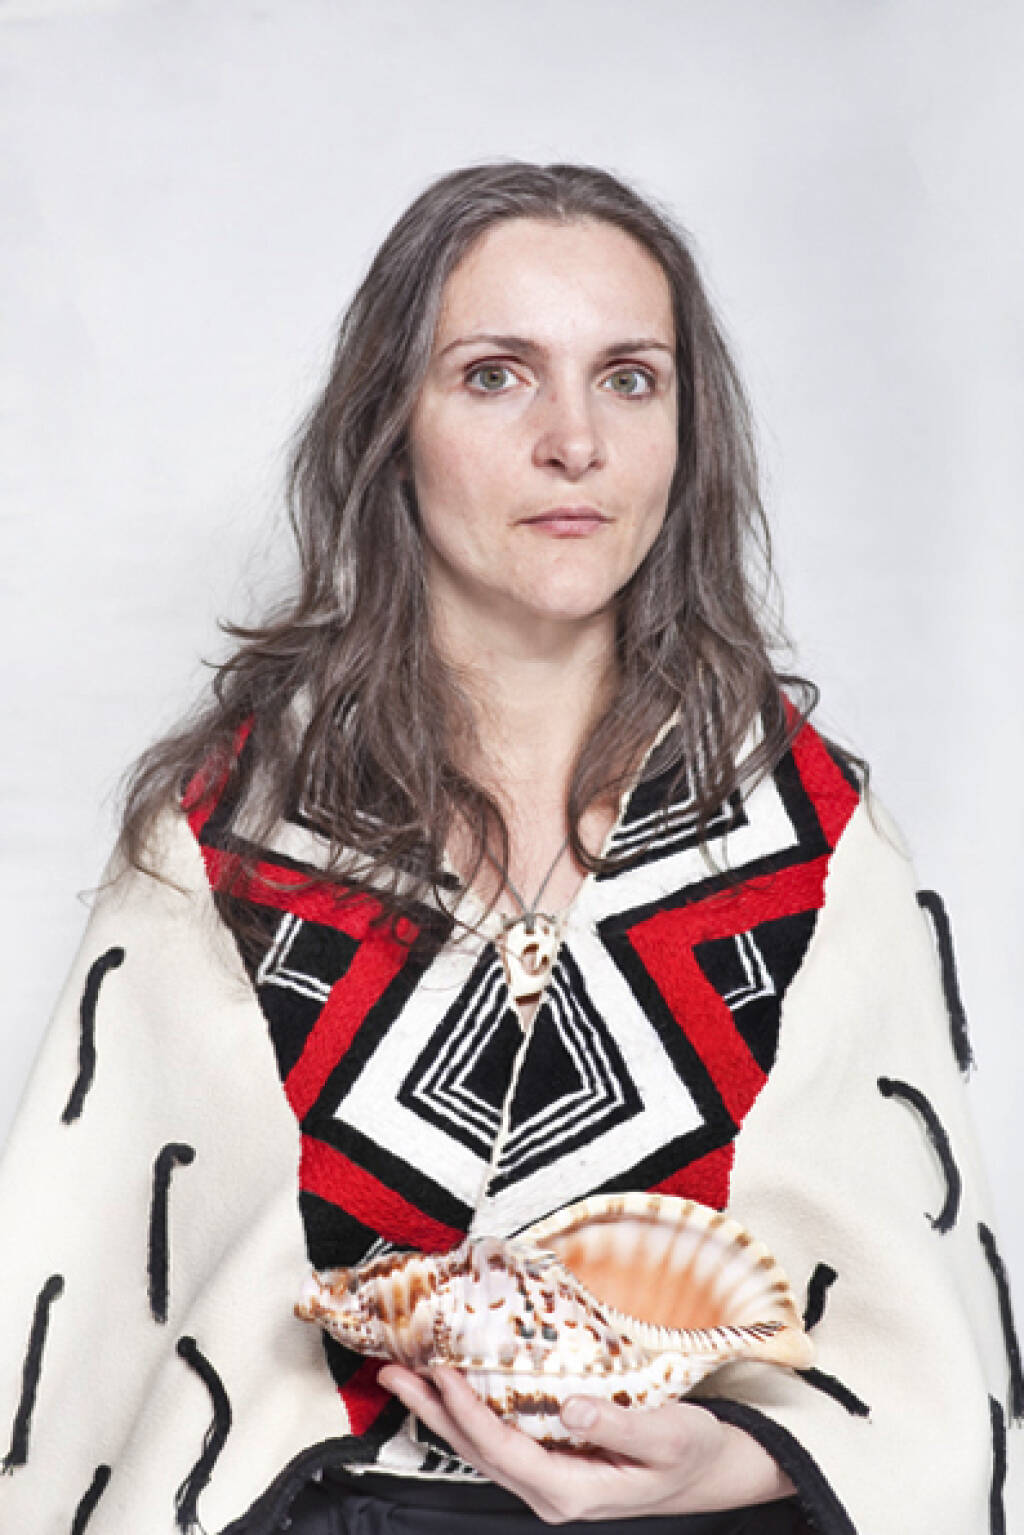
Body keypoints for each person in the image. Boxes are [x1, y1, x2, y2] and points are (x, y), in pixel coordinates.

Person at [0, 160, 1019, 1535]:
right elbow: (70, 1336)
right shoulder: (223, 837)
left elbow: (931, 1357)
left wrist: (737, 1461)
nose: (574, 441)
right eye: (495, 376)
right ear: (390, 425)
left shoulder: (818, 842)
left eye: (629, 379)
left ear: (687, 431)